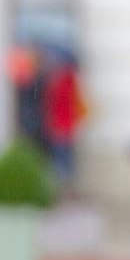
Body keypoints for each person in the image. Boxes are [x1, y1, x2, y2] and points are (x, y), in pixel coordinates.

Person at [43, 54, 84, 191]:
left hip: (60, 128)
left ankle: (62, 188)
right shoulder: (70, 81)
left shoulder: (60, 81)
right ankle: (68, 187)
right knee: (66, 160)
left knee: (61, 160)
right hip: (67, 128)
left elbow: (53, 103)